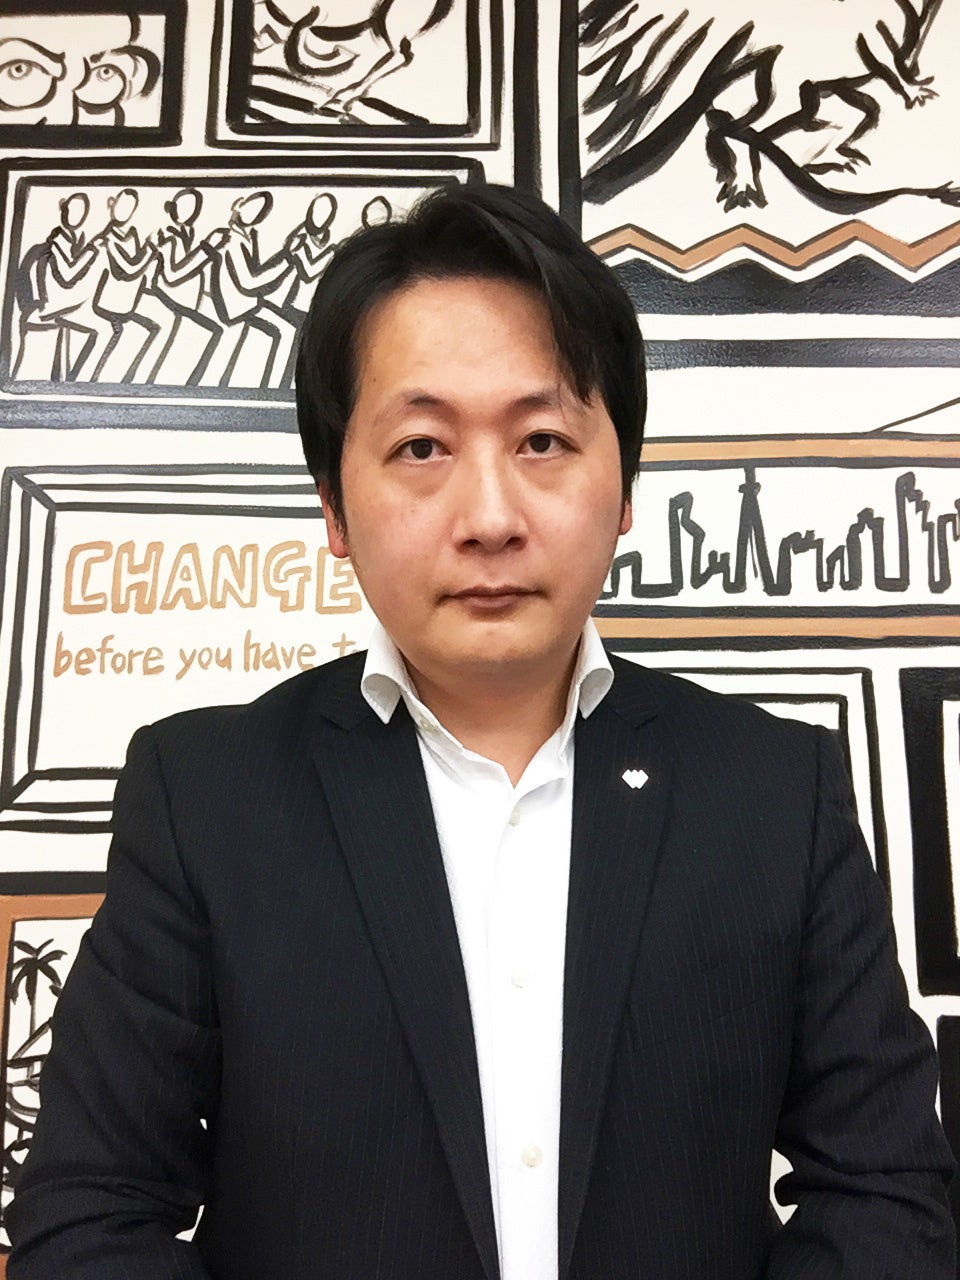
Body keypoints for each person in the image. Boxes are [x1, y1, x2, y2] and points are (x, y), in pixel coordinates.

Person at [7, 183, 955, 1279]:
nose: (491, 517)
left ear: (625, 486)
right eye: (421, 447)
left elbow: (887, 1187)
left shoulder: (774, 789)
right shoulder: (207, 796)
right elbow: (90, 1215)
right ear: (333, 505)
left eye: (543, 438)